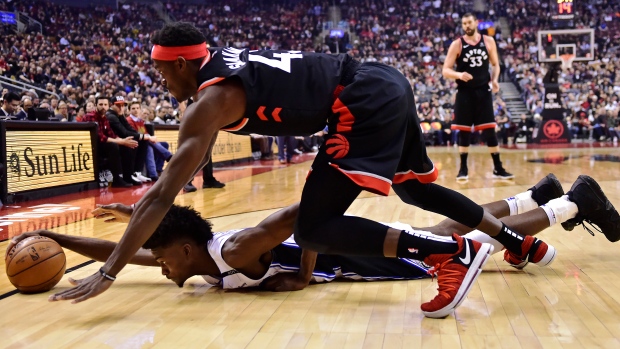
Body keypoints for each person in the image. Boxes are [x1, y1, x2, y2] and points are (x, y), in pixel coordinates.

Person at [48, 22, 554, 318]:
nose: (161, 82)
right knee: (416, 193)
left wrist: (108, 273)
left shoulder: (210, 100)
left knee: (316, 224)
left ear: (181, 63)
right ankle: (515, 241)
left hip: (358, 98)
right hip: (380, 82)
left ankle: (454, 252)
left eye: (161, 71)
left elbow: (161, 196)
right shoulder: (218, 77)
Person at [9, 175, 617, 293]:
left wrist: (301, 274)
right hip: (346, 248)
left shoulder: (234, 251)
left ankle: (569, 205)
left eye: (163, 260)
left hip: (352, 257)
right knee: (438, 224)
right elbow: (130, 256)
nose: (158, 267)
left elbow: (299, 217)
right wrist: (64, 246)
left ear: (187, 248)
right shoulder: (197, 259)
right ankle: (532, 197)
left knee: (471, 246)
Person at [442, 13, 513, 180]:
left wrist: (495, 80)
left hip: (483, 91)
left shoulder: (488, 42)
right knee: (464, 132)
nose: (466, 25)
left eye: (469, 22)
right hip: (464, 92)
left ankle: (498, 168)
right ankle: (463, 168)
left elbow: (495, 65)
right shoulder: (457, 44)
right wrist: (458, 75)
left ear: (476, 23)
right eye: (464, 23)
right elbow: (445, 70)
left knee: (490, 131)